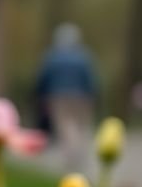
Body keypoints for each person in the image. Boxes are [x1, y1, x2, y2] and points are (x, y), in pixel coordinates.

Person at [35, 23, 98, 170]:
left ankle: (71, 156)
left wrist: (41, 95)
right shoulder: (83, 56)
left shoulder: (52, 57)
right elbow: (91, 78)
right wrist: (93, 95)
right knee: (81, 127)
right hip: (83, 97)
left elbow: (43, 78)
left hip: (58, 97)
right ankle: (79, 154)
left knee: (65, 127)